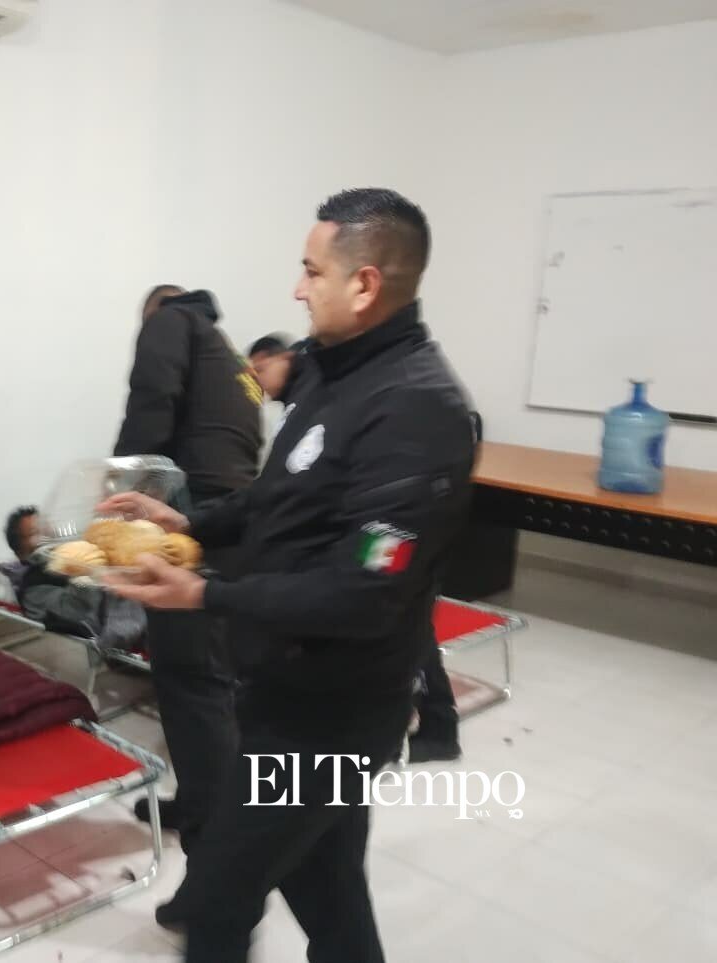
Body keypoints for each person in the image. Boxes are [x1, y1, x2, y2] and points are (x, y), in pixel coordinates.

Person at [101, 189, 475, 962]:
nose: (298, 289)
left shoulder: (417, 407)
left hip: (332, 716)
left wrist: (206, 592)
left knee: (217, 900)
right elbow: (276, 500)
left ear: (364, 284)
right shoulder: (332, 376)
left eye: (312, 270)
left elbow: (366, 591)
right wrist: (187, 524)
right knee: (330, 892)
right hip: (281, 690)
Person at [113, 284, 263, 848]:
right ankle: (211, 802)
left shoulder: (169, 321)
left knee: (188, 677)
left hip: (192, 522)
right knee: (215, 677)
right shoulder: (230, 354)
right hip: (235, 525)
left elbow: (149, 407)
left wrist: (119, 491)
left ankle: (214, 824)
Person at [2, 506, 144, 647]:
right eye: (36, 532)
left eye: (45, 526)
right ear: (21, 553)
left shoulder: (73, 553)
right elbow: (78, 610)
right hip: (101, 649)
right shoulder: (33, 591)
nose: (47, 533)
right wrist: (85, 569)